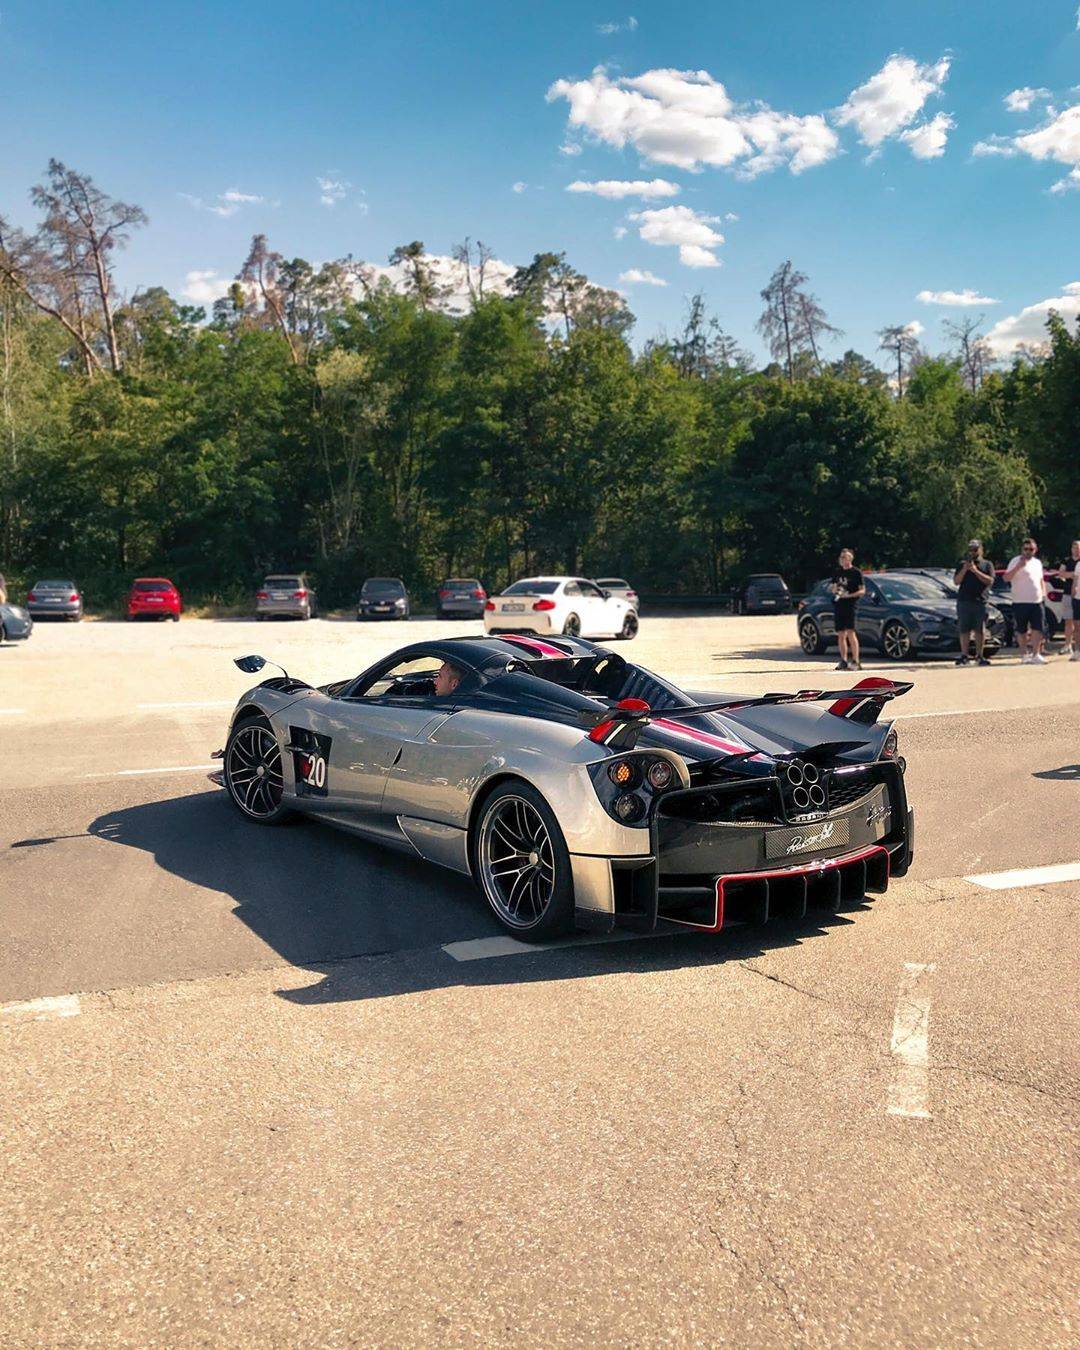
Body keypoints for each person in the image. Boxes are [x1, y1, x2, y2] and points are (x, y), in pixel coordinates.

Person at [1003, 538, 1047, 664]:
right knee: (1021, 629)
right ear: (1022, 549)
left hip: (1036, 601)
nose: (1028, 551)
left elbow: (1040, 580)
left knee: (1037, 628)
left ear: (1035, 550)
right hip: (1020, 601)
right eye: (1026, 549)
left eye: (1031, 549)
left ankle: (1036, 654)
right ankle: (1024, 654)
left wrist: (1043, 596)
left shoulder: (1037, 563)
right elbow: (1006, 578)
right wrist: (1018, 567)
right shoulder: (1015, 561)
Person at [953, 539, 994, 666]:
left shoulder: (987, 564)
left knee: (979, 629)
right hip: (964, 601)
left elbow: (990, 581)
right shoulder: (962, 564)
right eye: (971, 549)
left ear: (981, 549)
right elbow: (956, 581)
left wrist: (976, 571)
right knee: (964, 629)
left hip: (980, 601)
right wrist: (965, 569)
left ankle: (979, 656)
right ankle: (964, 655)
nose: (972, 552)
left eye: (975, 549)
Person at [831, 548, 864, 671]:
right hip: (839, 605)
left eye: (845, 557)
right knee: (840, 634)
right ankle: (843, 660)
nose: (842, 559)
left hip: (851, 605)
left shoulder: (856, 572)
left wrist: (849, 595)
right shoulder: (837, 572)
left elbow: (862, 590)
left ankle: (856, 660)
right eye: (841, 557)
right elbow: (833, 587)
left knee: (851, 632)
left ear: (850, 558)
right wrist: (836, 591)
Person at [1051, 540, 1080, 658]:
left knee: (1078, 622)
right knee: (1068, 620)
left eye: (1078, 547)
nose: (1076, 549)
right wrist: (1073, 574)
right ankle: (1067, 645)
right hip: (1068, 593)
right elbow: (1061, 573)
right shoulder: (1066, 560)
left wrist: (1072, 574)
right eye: (1074, 547)